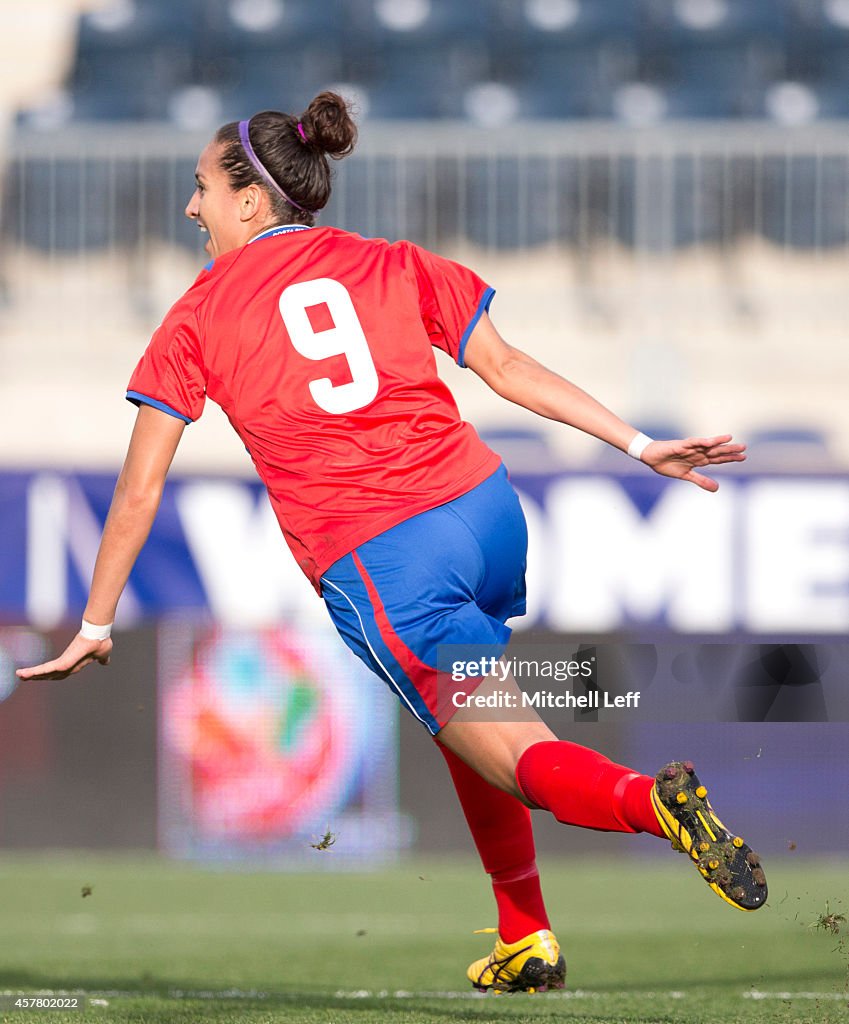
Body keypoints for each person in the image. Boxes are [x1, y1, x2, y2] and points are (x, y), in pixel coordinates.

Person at [17, 91, 766, 994]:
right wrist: (640, 444)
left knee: (517, 757)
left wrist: (95, 623)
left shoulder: (197, 314)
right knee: (472, 720)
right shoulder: (390, 261)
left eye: (202, 188)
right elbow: (506, 368)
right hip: (482, 513)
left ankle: (655, 803)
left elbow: (139, 488)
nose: (191, 209)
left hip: (386, 556)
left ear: (250, 202)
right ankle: (525, 935)